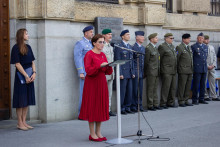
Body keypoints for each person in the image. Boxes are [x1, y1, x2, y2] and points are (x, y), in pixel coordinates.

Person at [78, 34, 113, 142]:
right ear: (94, 43)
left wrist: (109, 66)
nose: (102, 44)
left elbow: (107, 71)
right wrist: (100, 66)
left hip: (101, 82)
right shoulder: (89, 54)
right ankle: (92, 133)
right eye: (100, 42)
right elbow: (89, 70)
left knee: (100, 106)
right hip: (92, 83)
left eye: (103, 42)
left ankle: (98, 132)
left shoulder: (102, 54)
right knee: (93, 107)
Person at [10, 28, 36, 131]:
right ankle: (19, 123)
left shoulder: (29, 47)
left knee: (27, 99)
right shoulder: (15, 48)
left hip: (30, 75)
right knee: (20, 100)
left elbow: (32, 62)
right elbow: (17, 64)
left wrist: (34, 73)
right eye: (26, 33)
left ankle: (24, 121)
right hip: (21, 76)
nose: (28, 35)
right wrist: (26, 75)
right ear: (21, 35)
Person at [74, 26, 94, 115]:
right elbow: (77, 58)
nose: (92, 33)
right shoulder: (80, 43)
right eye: (90, 32)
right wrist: (80, 71)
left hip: (92, 72)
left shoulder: (91, 44)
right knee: (84, 93)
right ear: (86, 33)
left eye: (92, 32)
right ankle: (81, 113)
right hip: (85, 72)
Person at [114, 29, 135, 115]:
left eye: (129, 34)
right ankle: (121, 108)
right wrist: (120, 73)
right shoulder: (119, 46)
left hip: (129, 73)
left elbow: (131, 60)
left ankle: (127, 107)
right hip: (123, 73)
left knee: (129, 92)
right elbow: (118, 60)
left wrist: (133, 72)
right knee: (122, 92)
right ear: (122, 36)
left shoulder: (130, 46)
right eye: (127, 34)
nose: (129, 36)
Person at [158, 33, 177, 109]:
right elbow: (160, 59)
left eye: (173, 38)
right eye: (171, 38)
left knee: (173, 87)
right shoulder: (162, 46)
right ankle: (163, 103)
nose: (172, 40)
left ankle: (171, 102)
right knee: (166, 87)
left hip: (173, 70)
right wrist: (162, 69)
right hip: (166, 70)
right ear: (166, 38)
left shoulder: (172, 46)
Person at [144, 33, 162, 111]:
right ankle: (150, 105)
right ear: (151, 39)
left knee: (155, 88)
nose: (157, 39)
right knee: (150, 88)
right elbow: (146, 61)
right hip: (151, 71)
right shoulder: (148, 48)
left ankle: (155, 103)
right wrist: (147, 71)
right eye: (155, 38)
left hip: (156, 71)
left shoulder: (155, 48)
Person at [102, 29, 116, 116]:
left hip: (111, 73)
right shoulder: (102, 46)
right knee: (103, 93)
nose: (110, 36)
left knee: (109, 93)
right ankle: (103, 110)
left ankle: (108, 109)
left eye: (111, 34)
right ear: (104, 35)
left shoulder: (110, 47)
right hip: (104, 74)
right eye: (108, 34)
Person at [176, 33, 193, 107]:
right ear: (183, 39)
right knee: (182, 86)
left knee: (187, 86)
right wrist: (179, 69)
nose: (189, 40)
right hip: (183, 70)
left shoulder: (189, 47)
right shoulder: (179, 47)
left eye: (189, 38)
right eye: (188, 38)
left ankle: (186, 99)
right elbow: (177, 59)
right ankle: (181, 100)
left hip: (189, 70)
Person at [131, 31, 146, 112]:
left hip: (141, 71)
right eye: (141, 37)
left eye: (143, 37)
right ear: (137, 38)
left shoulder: (143, 48)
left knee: (140, 89)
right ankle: (134, 105)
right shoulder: (133, 47)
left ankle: (140, 105)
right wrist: (133, 71)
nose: (143, 38)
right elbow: (132, 61)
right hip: (136, 71)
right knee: (135, 89)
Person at [191, 32, 208, 105]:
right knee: (196, 84)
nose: (201, 39)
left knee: (203, 84)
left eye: (202, 38)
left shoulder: (205, 46)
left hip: (204, 68)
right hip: (197, 68)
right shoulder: (194, 46)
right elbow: (192, 58)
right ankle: (194, 99)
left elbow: (205, 57)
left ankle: (201, 98)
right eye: (199, 38)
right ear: (197, 39)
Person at [204, 35, 220, 101]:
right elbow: (202, 58)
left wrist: (213, 65)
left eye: (208, 39)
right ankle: (205, 96)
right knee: (204, 82)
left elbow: (214, 57)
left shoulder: (211, 47)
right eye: (206, 39)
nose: (207, 40)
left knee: (212, 82)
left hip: (212, 67)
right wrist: (208, 66)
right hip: (205, 66)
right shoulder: (202, 47)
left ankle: (214, 96)